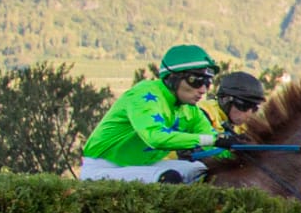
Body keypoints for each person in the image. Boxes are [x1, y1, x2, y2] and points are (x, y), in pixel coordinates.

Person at [79, 45, 238, 183]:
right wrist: (213, 140)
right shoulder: (144, 95)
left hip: (144, 166)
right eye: (196, 80)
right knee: (168, 178)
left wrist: (240, 146)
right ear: (173, 78)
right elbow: (155, 137)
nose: (203, 90)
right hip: (105, 168)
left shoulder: (190, 110)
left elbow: (216, 140)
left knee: (200, 171)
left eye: (207, 82)